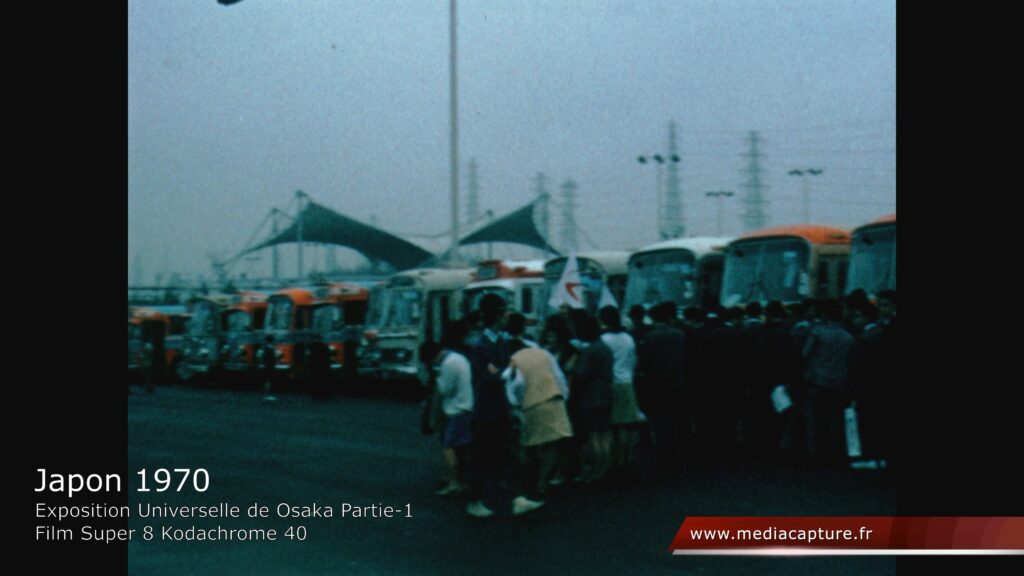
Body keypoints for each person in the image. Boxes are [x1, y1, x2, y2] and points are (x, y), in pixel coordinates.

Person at [504, 339, 572, 514]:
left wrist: (517, 403)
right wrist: (564, 395)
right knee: (554, 443)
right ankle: (543, 479)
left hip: (532, 405)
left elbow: (517, 384)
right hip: (554, 400)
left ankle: (528, 480)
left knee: (529, 444)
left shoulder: (514, 359)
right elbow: (558, 376)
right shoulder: (545, 354)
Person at [465, 293, 512, 518]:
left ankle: (509, 495)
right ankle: (474, 500)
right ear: (498, 315)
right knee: (482, 456)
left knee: (503, 452)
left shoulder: (500, 340)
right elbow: (487, 377)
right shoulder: (481, 345)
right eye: (504, 312)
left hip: (500, 405)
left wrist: (499, 371)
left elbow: (500, 370)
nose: (507, 316)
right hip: (485, 409)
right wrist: (501, 372)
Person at [420, 340, 474, 497]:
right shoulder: (458, 358)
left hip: (458, 409)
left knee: (448, 447)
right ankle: (461, 479)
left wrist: (434, 419)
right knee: (461, 447)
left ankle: (453, 483)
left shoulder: (448, 364)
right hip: (465, 406)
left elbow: (442, 391)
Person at [599, 305, 641, 473]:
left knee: (612, 425)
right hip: (627, 382)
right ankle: (626, 457)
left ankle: (613, 459)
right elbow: (634, 360)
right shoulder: (628, 338)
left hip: (610, 383)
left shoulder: (604, 339)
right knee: (626, 425)